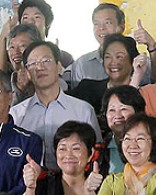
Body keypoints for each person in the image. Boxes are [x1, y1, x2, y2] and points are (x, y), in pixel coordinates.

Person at [10, 41, 100, 169]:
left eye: (46, 61)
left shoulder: (83, 111)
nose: (39, 67)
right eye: (33, 63)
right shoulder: (16, 114)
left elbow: (96, 154)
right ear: (28, 73)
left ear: (59, 67)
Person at [69, 34, 142, 116]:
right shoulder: (86, 89)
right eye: (108, 57)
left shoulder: (144, 94)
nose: (113, 62)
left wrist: (136, 76)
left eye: (119, 57)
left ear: (133, 60)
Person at [63, 3, 127, 88]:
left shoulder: (137, 61)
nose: (101, 28)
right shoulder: (82, 64)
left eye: (107, 23)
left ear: (121, 27)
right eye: (96, 24)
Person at [100, 85, 147, 175]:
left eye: (123, 109)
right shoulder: (100, 149)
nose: (117, 115)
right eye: (112, 110)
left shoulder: (151, 145)